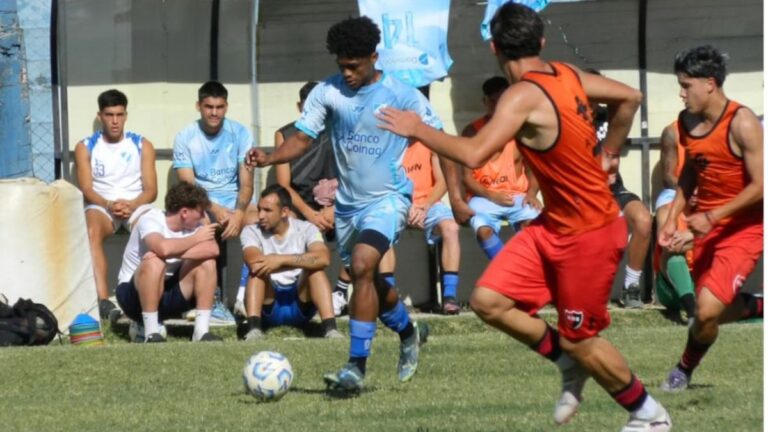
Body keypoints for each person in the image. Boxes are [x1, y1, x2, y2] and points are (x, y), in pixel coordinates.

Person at [377, 4, 671, 431]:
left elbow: (475, 153)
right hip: (553, 226)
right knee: (488, 302)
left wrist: (417, 128)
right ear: (542, 42)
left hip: (589, 232)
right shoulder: (566, 73)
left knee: (583, 338)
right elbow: (630, 97)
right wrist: (611, 151)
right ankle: (567, 363)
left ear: (494, 46)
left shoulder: (521, 96)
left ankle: (649, 414)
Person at [246, 16, 439, 393]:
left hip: (387, 199)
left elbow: (434, 135)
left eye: (355, 65)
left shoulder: (401, 94)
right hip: (348, 206)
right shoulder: (328, 93)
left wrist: (453, 185)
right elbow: (302, 138)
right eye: (342, 65)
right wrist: (270, 158)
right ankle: (408, 329)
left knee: (364, 266)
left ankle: (355, 367)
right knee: (370, 281)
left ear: (373, 56)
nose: (347, 73)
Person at [658, 45, 763, 393]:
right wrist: (674, 217)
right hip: (706, 225)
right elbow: (690, 171)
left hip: (744, 228)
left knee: (703, 312)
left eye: (687, 85)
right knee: (715, 308)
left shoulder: (742, 122)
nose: (681, 92)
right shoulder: (686, 122)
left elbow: (762, 185)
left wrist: (713, 216)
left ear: (710, 83)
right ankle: (759, 304)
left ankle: (683, 370)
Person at [173, 80, 257, 325]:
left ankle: (245, 298)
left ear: (226, 107)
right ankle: (212, 301)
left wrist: (239, 214)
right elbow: (188, 185)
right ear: (198, 106)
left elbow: (247, 184)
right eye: (208, 106)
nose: (214, 112)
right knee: (202, 227)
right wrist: (215, 209)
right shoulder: (185, 136)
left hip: (234, 201)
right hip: (202, 203)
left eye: (219, 107)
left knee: (262, 221)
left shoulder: (240, 133)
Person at [74, 89, 158, 321]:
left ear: (126, 115)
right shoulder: (85, 146)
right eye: (109, 115)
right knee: (90, 230)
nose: (114, 121)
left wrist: (131, 204)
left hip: (135, 204)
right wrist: (110, 204)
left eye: (119, 115)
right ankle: (103, 301)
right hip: (103, 206)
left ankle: (152, 297)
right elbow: (87, 189)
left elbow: (151, 191)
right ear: (100, 115)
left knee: (154, 231)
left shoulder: (142, 144)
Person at [273, 81, 351, 317]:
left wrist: (334, 209)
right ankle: (285, 295)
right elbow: (284, 185)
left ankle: (340, 292)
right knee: (278, 220)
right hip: (300, 206)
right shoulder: (285, 134)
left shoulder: (344, 130)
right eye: (310, 108)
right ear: (300, 107)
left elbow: (357, 175)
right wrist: (311, 214)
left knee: (364, 222)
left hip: (339, 204)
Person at [115, 182, 222, 343]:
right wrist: (196, 239)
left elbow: (213, 250)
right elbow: (162, 249)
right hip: (133, 297)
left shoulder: (197, 224)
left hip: (169, 293)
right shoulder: (150, 219)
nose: (203, 217)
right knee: (155, 262)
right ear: (184, 212)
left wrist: (171, 250)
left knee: (208, 262)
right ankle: (151, 333)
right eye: (200, 212)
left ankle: (201, 332)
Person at [239, 185, 342, 340]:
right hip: (268, 302)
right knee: (257, 272)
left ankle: (330, 330)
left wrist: (279, 260)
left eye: (267, 210)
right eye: (259, 209)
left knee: (316, 270)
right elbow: (255, 262)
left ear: (284, 212)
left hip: (300, 301)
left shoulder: (307, 228)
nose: (260, 215)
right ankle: (254, 329)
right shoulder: (251, 231)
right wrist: (300, 261)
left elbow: (323, 258)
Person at [587, 69, 653, 309]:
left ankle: (631, 287)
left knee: (644, 220)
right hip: (583, 191)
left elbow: (631, 98)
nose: (595, 96)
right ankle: (584, 290)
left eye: (599, 89)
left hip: (614, 188)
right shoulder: (566, 119)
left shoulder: (610, 114)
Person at [461, 76, 541, 259]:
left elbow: (533, 168)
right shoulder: (472, 131)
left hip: (518, 196)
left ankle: (523, 272)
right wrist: (492, 195)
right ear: (485, 102)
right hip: (483, 195)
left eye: (501, 100)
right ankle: (506, 270)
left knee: (534, 228)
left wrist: (532, 194)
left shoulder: (522, 130)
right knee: (484, 232)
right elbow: (466, 178)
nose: (497, 106)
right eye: (492, 101)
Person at [402, 141, 462, 314]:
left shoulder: (428, 143)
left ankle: (449, 296)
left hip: (428, 204)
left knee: (451, 228)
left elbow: (442, 182)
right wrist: (408, 207)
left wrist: (425, 206)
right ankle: (387, 300)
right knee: (381, 226)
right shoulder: (389, 143)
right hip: (398, 203)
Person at [654, 122, 696, 323]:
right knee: (672, 252)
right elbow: (669, 176)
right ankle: (692, 313)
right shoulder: (672, 131)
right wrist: (688, 190)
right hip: (672, 290)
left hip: (708, 287)